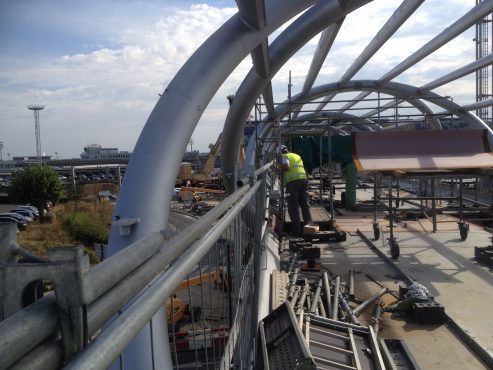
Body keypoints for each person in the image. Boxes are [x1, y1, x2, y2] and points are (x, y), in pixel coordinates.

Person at [279, 145, 312, 235]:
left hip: (292, 182)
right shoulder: (296, 156)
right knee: (305, 204)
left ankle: (296, 230)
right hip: (303, 180)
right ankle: (309, 228)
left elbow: (286, 167)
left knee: (293, 206)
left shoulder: (284, 156)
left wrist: (279, 168)